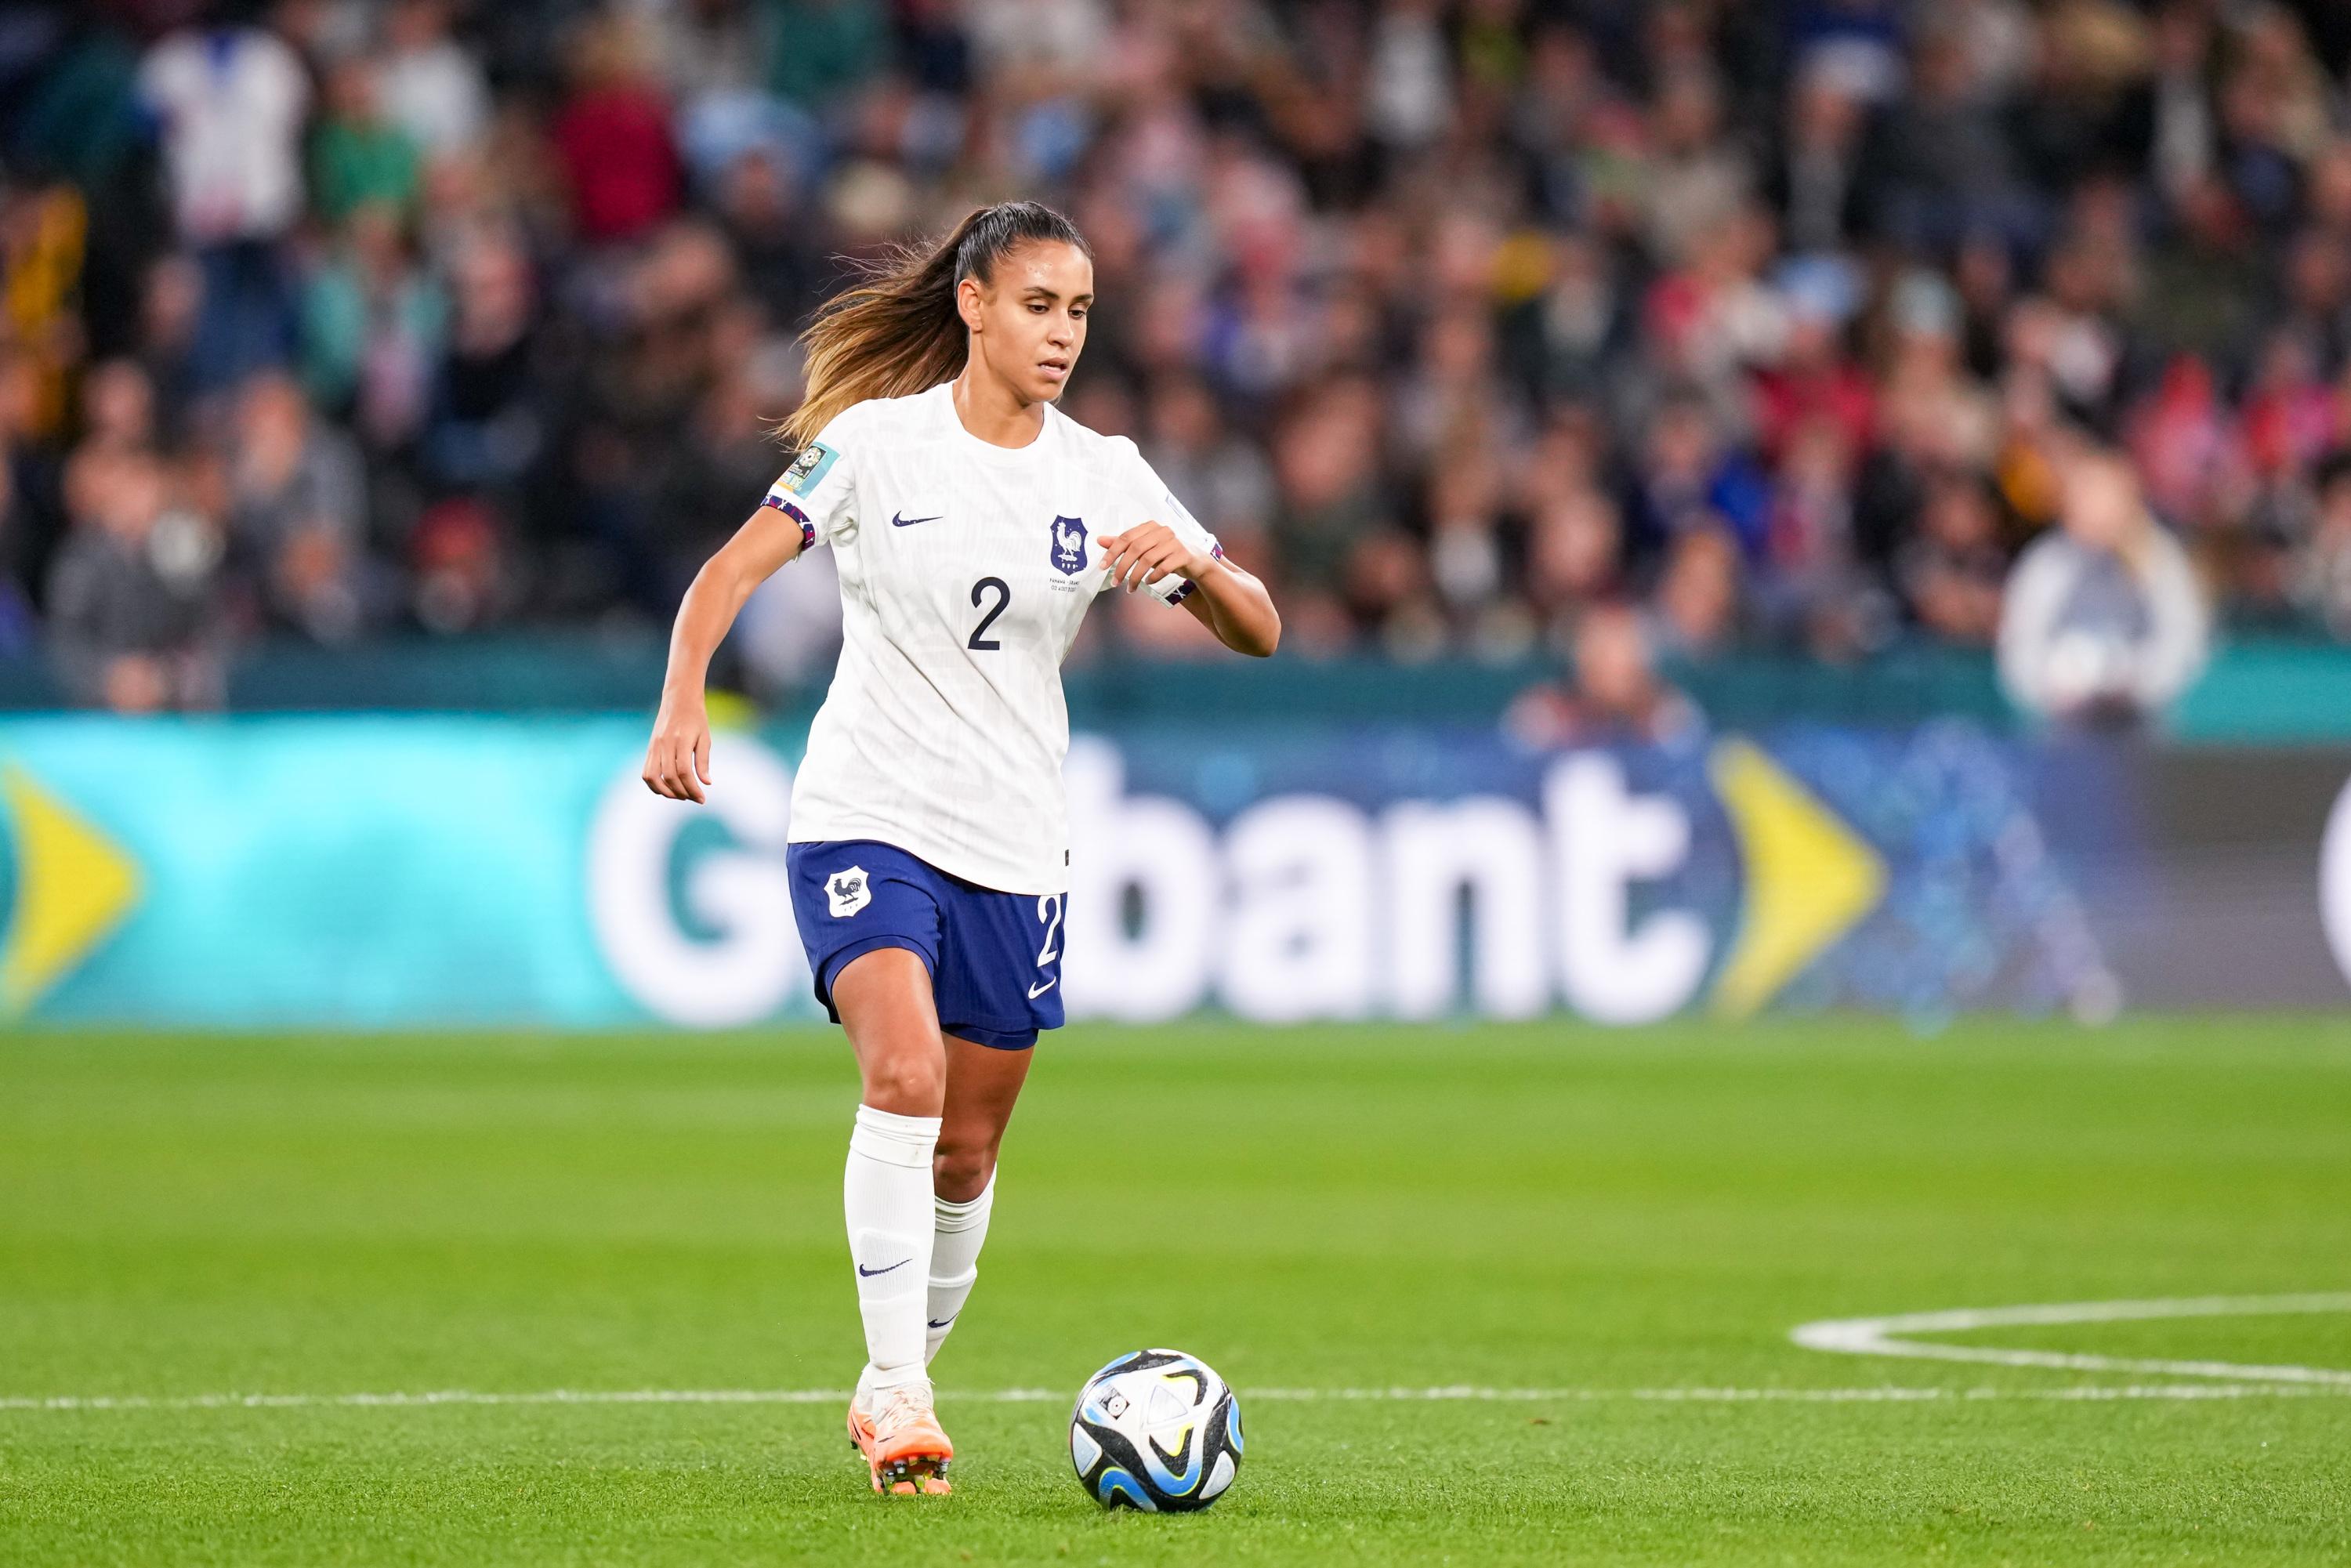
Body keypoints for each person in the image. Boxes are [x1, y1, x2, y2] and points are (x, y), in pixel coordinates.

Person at [637, 201, 1279, 1497]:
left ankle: (893, 1371)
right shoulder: (874, 447)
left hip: (1015, 843)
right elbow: (727, 571)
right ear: (976, 305)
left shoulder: (1102, 469)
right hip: (866, 812)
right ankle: (903, 1398)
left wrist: (1196, 577)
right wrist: (684, 693)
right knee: (905, 1066)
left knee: (967, 1152)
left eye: (1082, 312)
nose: (1062, 334)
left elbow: (1261, 624)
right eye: (1040, 305)